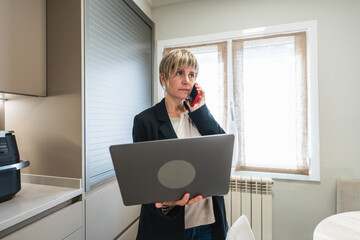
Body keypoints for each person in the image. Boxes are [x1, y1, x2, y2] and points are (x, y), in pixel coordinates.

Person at [132, 49, 228, 240]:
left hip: (207, 224)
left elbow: (223, 152)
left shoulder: (199, 115)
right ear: (163, 79)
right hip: (168, 227)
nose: (187, 80)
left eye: (191, 75)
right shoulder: (145, 120)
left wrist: (200, 110)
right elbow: (144, 180)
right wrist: (167, 203)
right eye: (179, 73)